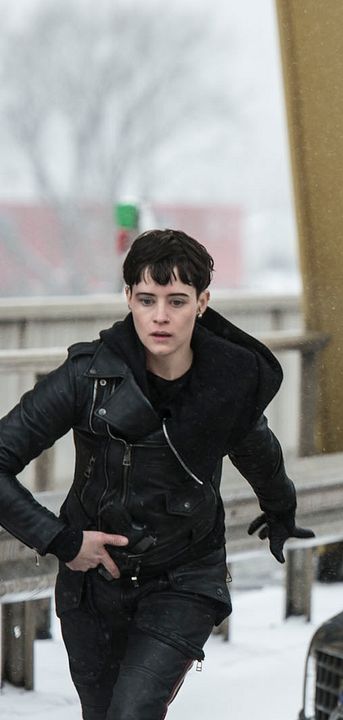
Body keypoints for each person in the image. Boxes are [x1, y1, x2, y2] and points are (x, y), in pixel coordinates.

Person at [0, 229, 313, 718]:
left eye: (177, 300)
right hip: (92, 584)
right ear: (128, 298)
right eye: (146, 299)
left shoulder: (225, 382)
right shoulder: (88, 377)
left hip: (184, 577)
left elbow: (259, 453)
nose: (161, 316)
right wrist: (63, 541)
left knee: (133, 712)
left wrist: (281, 509)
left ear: (203, 302)